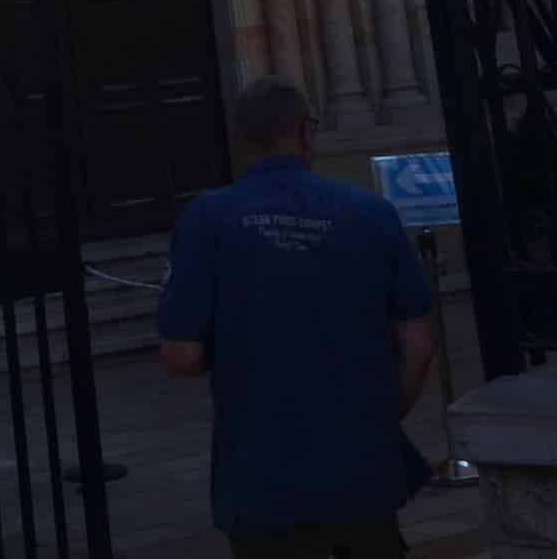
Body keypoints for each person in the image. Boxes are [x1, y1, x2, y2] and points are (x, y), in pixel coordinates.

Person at [157, 76, 434, 559]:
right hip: (360, 464)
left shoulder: (207, 218)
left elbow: (181, 354)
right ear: (307, 131)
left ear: (241, 139)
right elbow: (418, 342)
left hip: (261, 471)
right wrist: (382, 415)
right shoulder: (371, 213)